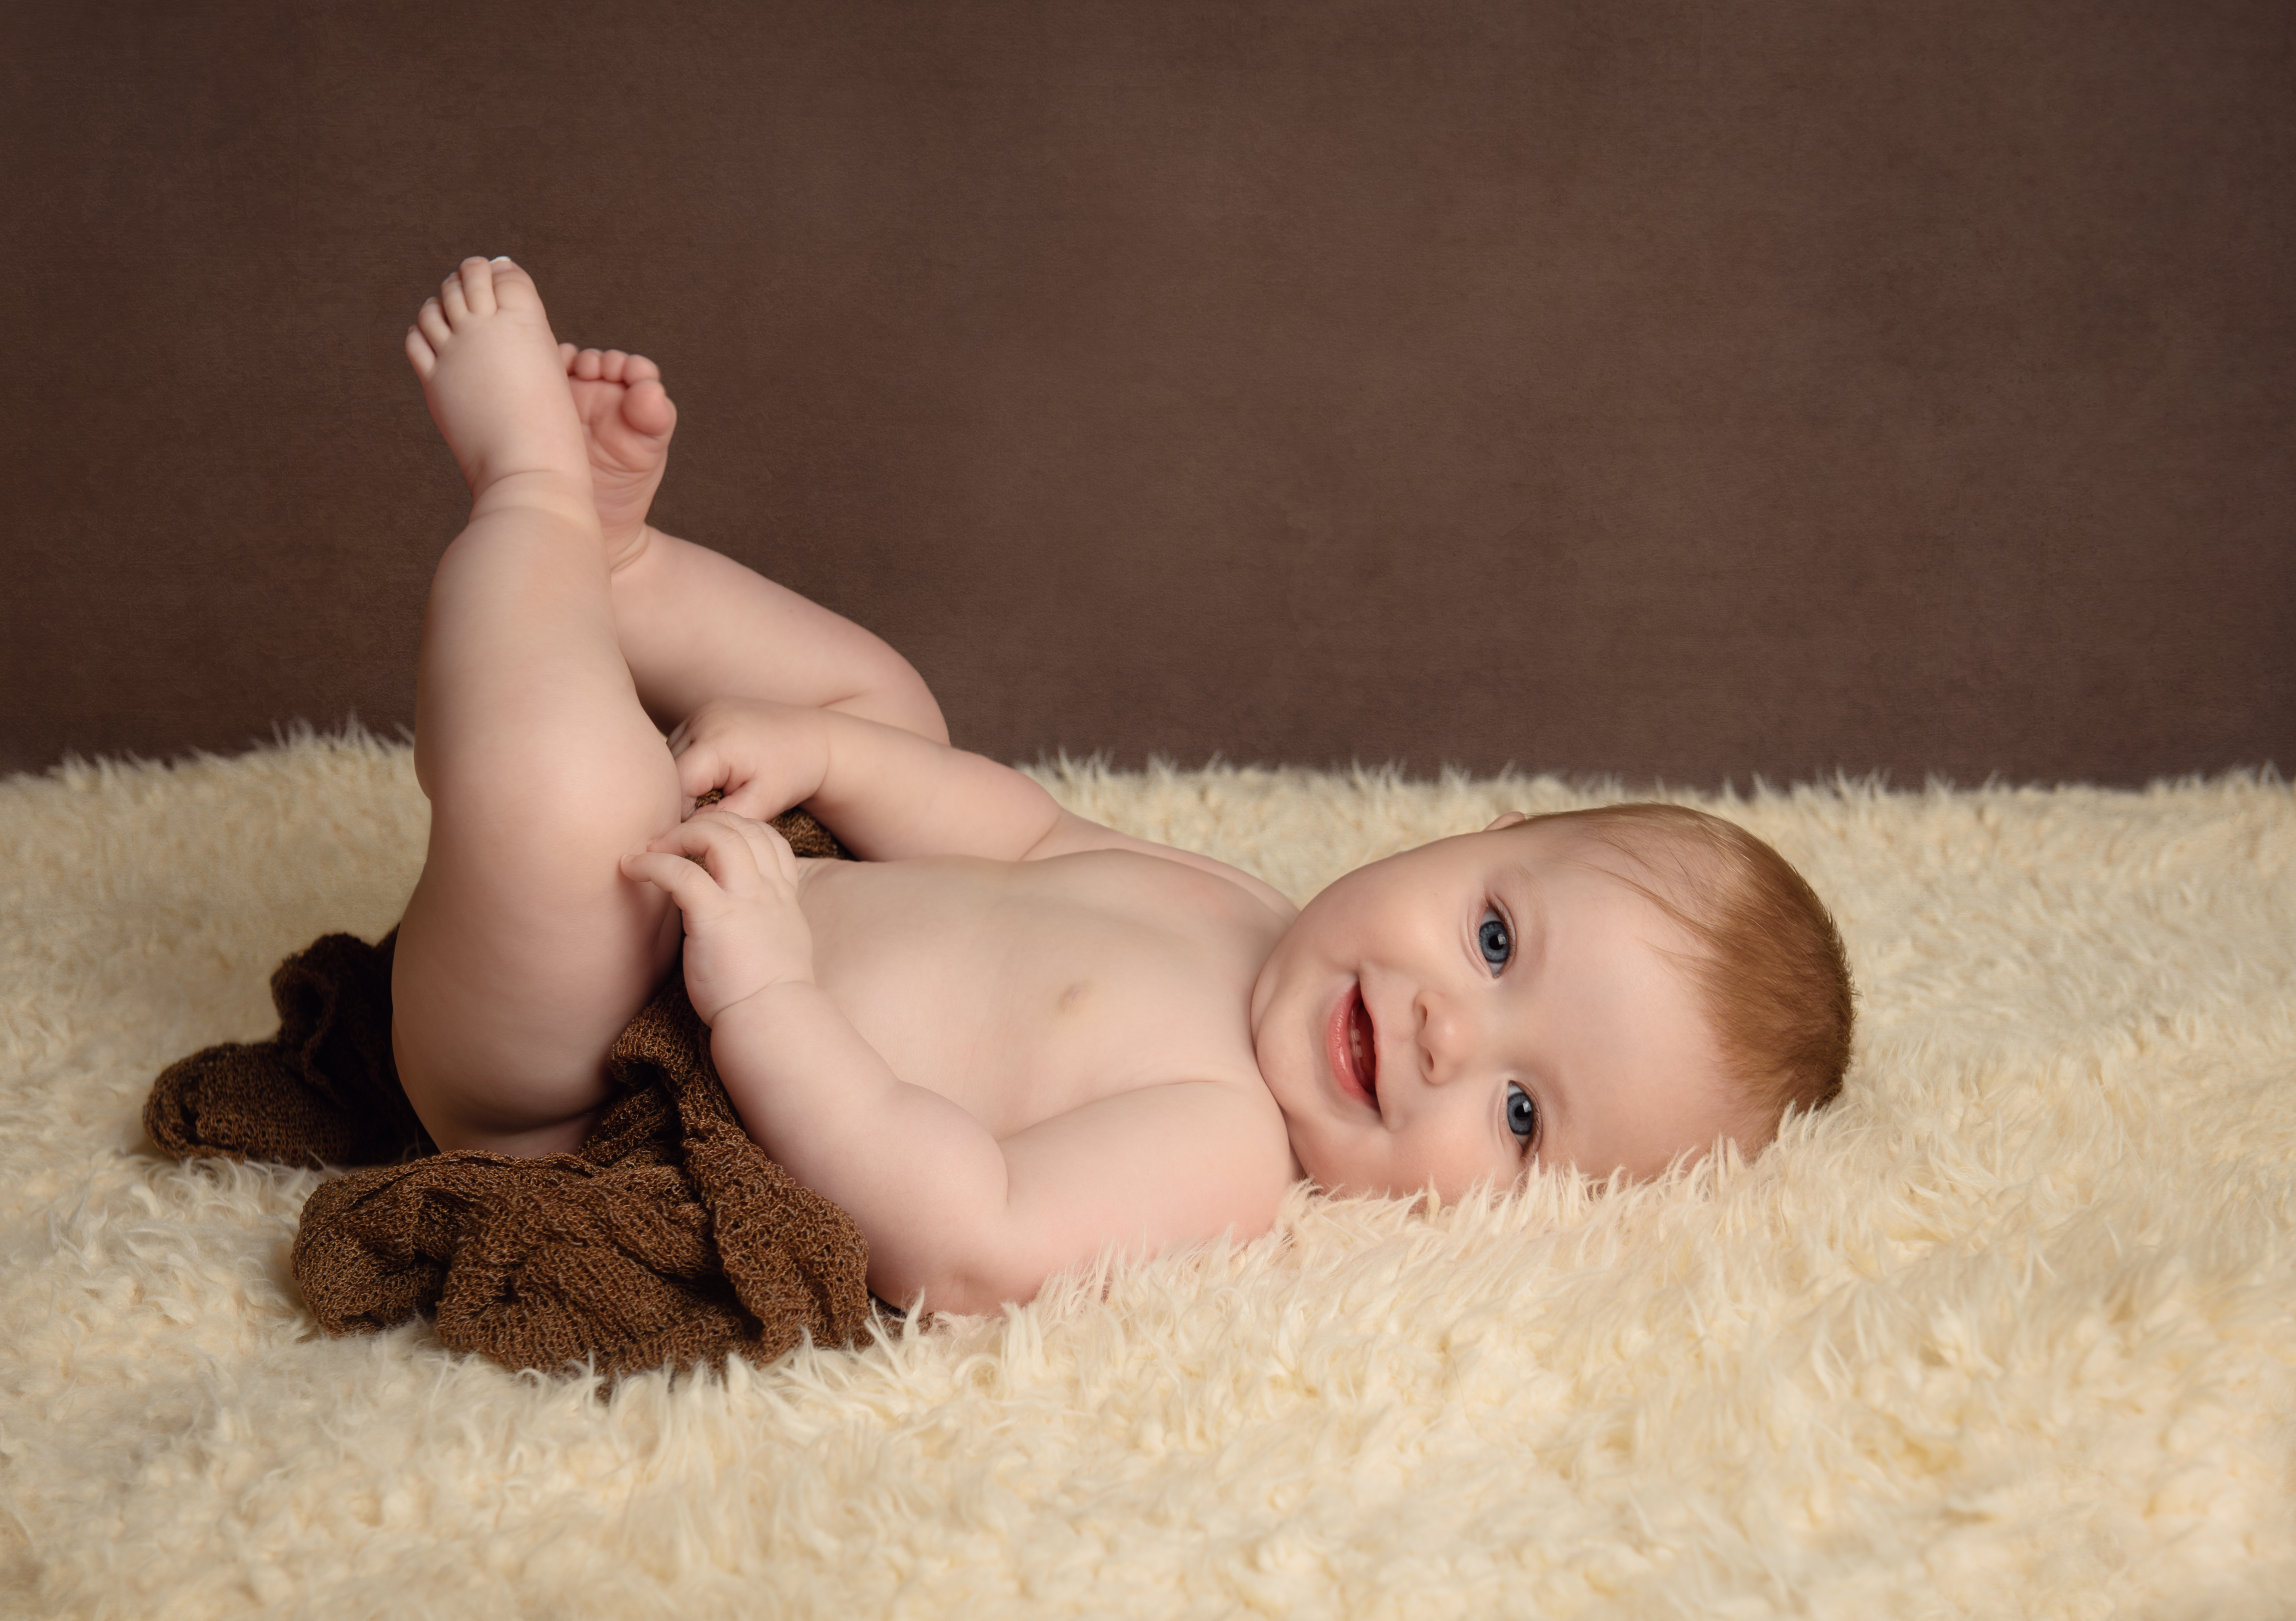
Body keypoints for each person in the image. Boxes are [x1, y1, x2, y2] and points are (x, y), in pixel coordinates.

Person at [392, 256, 1855, 1315]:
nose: (1439, 1032)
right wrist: (832, 759)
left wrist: (767, 996)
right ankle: (626, 570)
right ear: (1483, 832)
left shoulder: (1222, 1150)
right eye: (1492, 941)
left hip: (602, 1055)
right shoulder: (1239, 908)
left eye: (1523, 1117)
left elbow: (967, 1234)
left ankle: (528, 494)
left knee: (567, 805)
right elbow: (1017, 829)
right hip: (745, 876)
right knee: (900, 716)